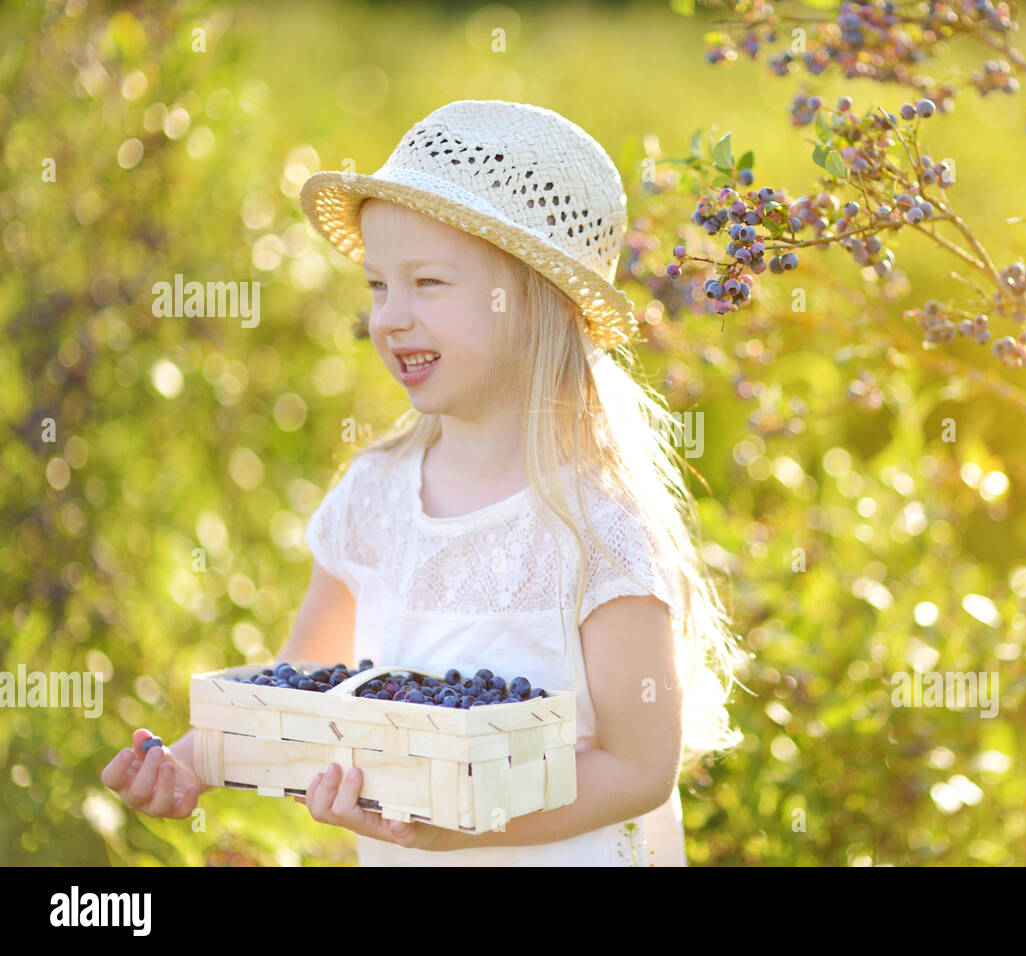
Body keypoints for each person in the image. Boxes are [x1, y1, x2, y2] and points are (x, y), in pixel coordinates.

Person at [100, 99, 746, 865]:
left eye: (428, 283)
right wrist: (191, 762)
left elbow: (639, 767)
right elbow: (304, 684)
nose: (389, 318)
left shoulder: (594, 523)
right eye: (377, 286)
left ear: (535, 300)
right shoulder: (375, 494)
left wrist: (470, 824)